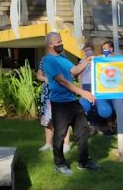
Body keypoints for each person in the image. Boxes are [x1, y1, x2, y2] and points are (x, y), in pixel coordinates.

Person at [41, 31, 99, 175]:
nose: (61, 44)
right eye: (58, 42)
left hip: (72, 101)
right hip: (60, 104)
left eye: (61, 41)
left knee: (83, 130)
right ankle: (59, 164)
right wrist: (83, 93)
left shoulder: (62, 58)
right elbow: (63, 82)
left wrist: (87, 61)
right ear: (50, 44)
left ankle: (84, 161)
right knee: (60, 134)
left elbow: (73, 71)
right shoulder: (48, 61)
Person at [36, 57, 70, 153]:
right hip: (47, 93)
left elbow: (70, 74)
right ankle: (48, 143)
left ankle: (66, 144)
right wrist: (45, 78)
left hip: (61, 92)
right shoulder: (44, 60)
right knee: (48, 118)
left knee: (63, 119)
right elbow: (39, 75)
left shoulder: (63, 59)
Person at [71, 42, 101, 135]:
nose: (87, 52)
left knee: (97, 106)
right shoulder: (81, 62)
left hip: (96, 85)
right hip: (85, 86)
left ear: (92, 50)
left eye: (89, 50)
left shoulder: (97, 60)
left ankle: (99, 126)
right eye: (86, 50)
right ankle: (92, 126)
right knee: (88, 107)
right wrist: (80, 89)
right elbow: (78, 74)